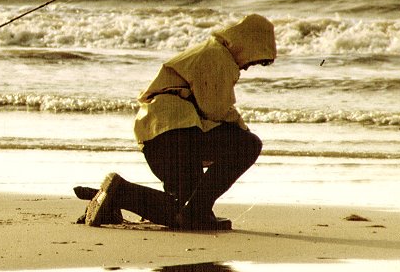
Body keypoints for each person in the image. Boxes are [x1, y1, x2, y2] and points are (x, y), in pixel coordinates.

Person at [84, 14, 276, 230]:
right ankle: (193, 210)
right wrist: (243, 129)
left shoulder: (210, 52)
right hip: (178, 131)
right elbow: (216, 110)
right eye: (255, 60)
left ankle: (119, 195)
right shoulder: (219, 58)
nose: (249, 67)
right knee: (248, 144)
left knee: (181, 210)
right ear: (250, 45)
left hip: (157, 135)